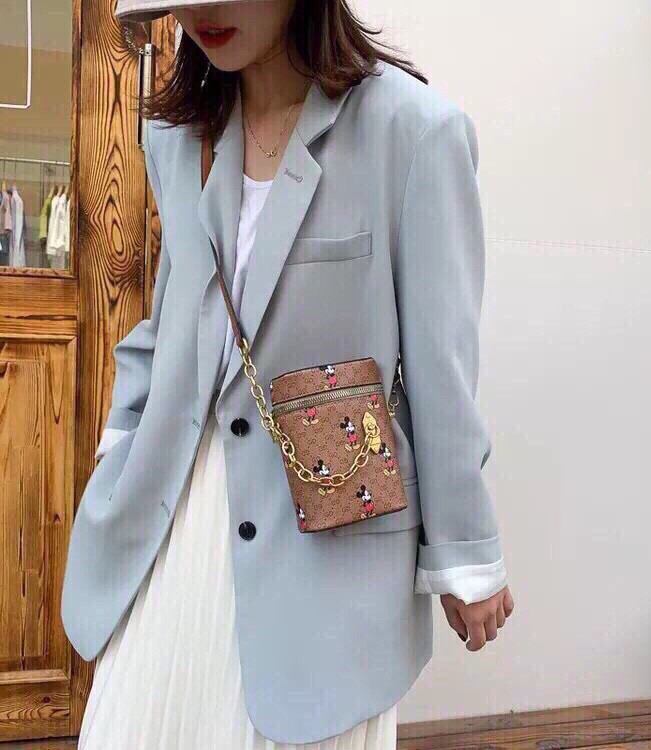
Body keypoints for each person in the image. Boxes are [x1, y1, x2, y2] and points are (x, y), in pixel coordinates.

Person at [62, 1, 515, 747]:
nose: (203, 12)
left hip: (325, 547)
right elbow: (169, 321)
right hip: (174, 518)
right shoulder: (179, 137)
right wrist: (119, 446)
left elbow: (442, 369)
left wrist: (465, 553)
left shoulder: (412, 134)